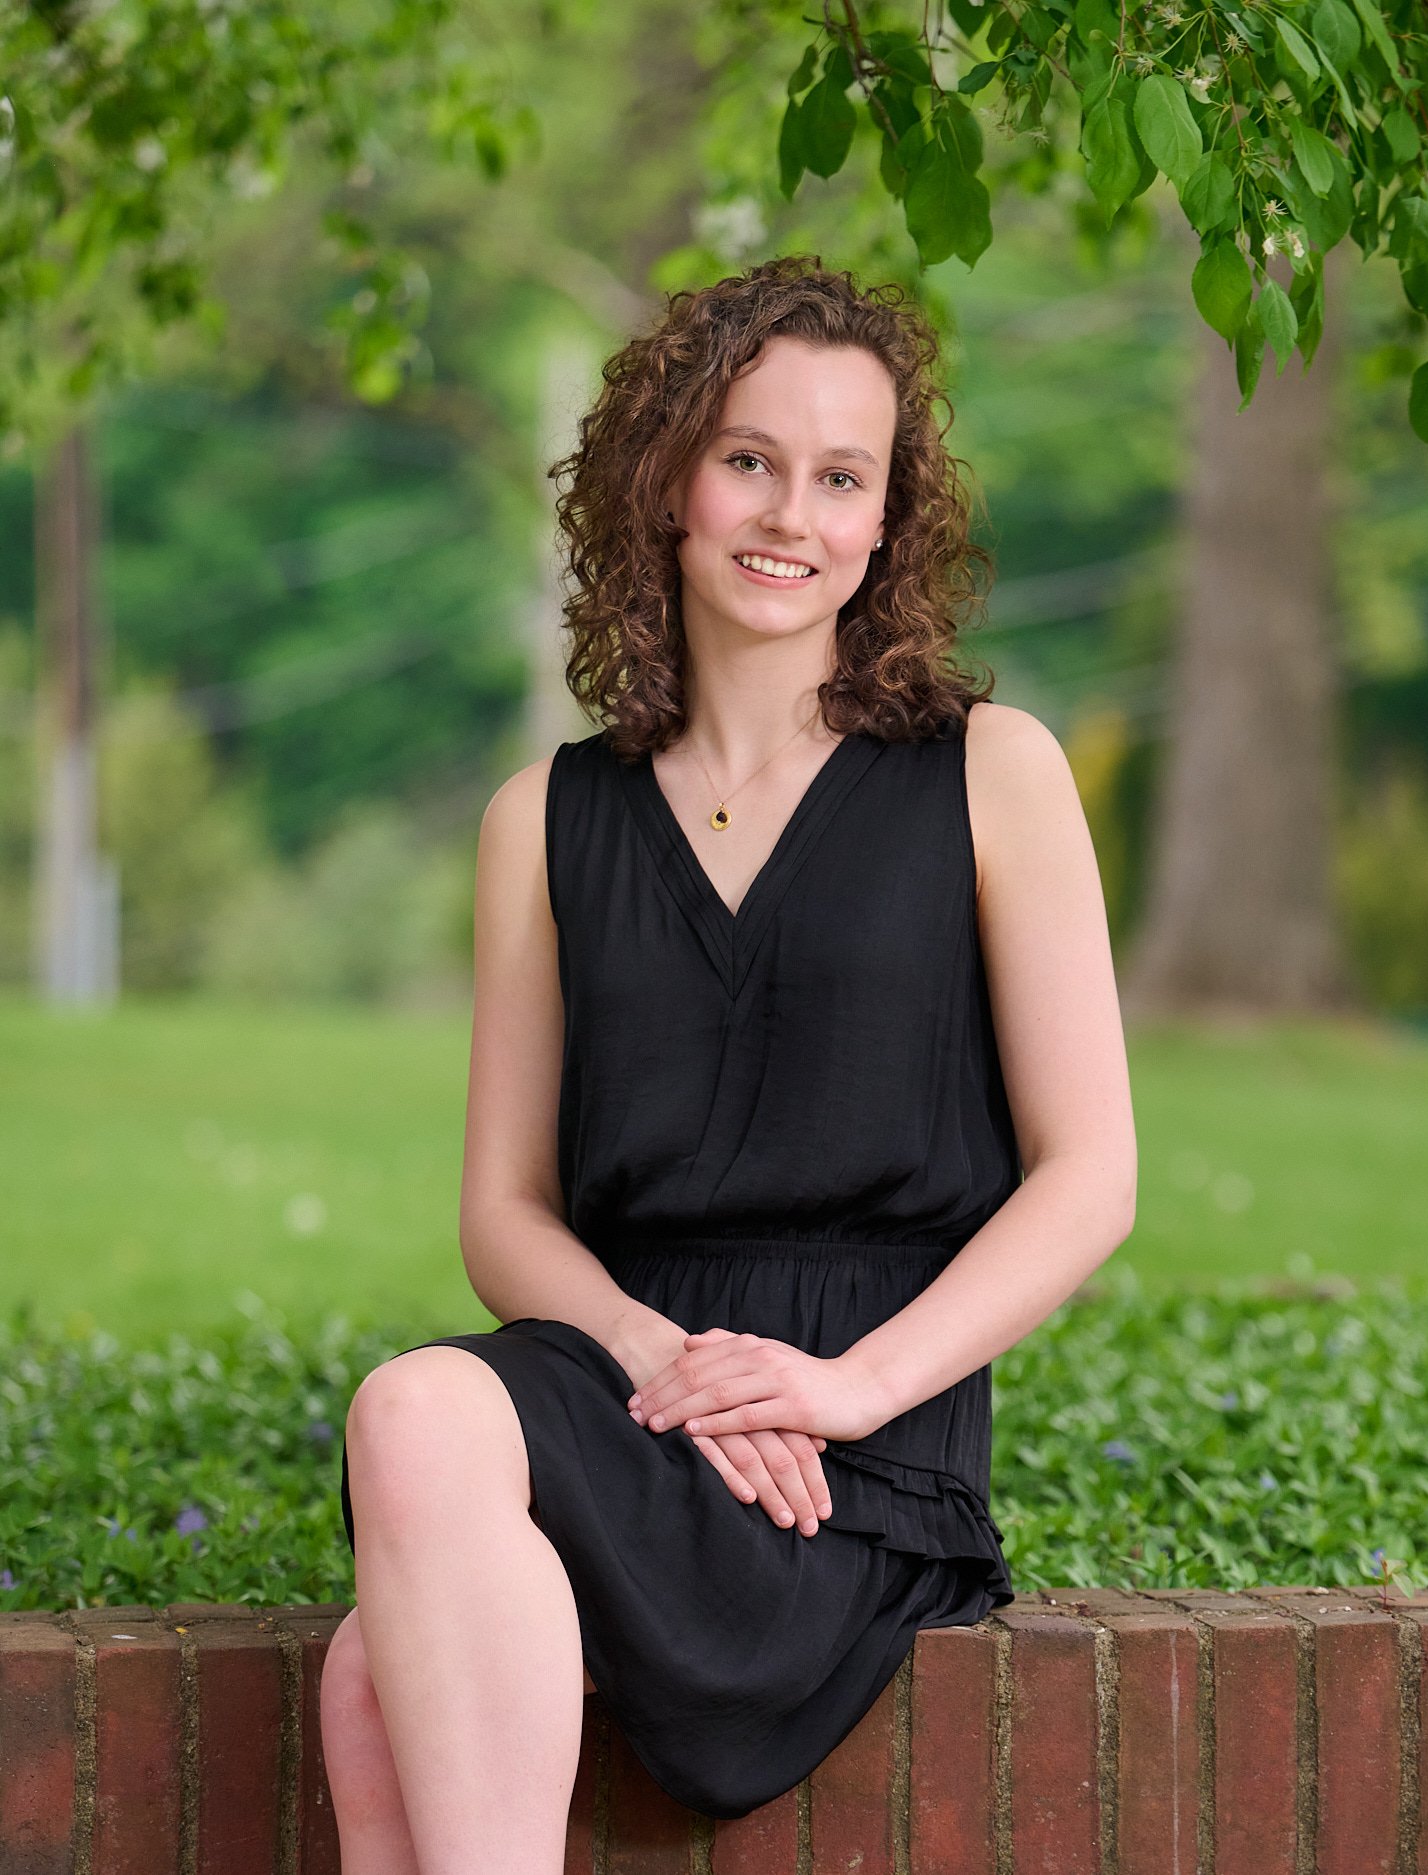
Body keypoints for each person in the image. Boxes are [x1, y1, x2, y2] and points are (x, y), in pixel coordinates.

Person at [320, 253, 1137, 1874]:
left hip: (855, 1452)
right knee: (405, 1499)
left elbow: (1091, 1178)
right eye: (751, 458)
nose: (792, 513)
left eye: (844, 477)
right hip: (624, 1380)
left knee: (371, 1658)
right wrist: (651, 1360)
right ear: (667, 477)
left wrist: (844, 1390)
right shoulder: (539, 820)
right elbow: (507, 1214)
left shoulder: (995, 774)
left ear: (888, 519)